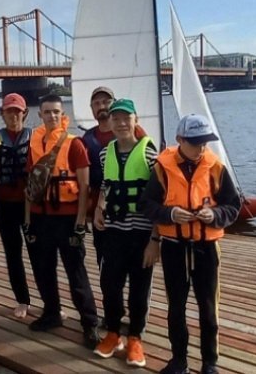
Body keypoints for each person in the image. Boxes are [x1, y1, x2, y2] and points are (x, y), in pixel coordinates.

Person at [141, 114, 241, 374]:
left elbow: (233, 206)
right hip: (174, 247)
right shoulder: (162, 168)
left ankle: (210, 362)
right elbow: (147, 205)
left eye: (205, 142)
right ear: (180, 140)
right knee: (176, 307)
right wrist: (170, 214)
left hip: (206, 248)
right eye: (195, 142)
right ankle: (179, 361)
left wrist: (215, 216)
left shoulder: (215, 167)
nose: (201, 148)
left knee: (208, 307)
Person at [24, 93, 100, 348]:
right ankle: (51, 313)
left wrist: (81, 223)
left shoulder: (74, 144)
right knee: (43, 270)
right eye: (47, 112)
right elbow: (30, 185)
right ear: (40, 114)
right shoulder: (34, 142)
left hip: (67, 219)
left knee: (76, 273)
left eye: (56, 112)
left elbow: (85, 185)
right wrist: (27, 221)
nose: (52, 116)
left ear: (62, 114)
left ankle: (89, 323)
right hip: (40, 217)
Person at [92, 99, 159, 368]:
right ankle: (113, 334)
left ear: (135, 120)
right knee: (110, 285)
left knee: (139, 289)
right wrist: (98, 208)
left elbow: (161, 199)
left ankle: (135, 337)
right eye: (115, 118)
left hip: (142, 234)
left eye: (125, 118)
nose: (120, 123)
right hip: (114, 232)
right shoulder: (104, 153)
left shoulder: (150, 154)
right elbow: (107, 185)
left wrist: (156, 240)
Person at [0, 93, 32, 318]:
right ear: (2, 114)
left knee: (39, 254)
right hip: (5, 205)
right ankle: (22, 299)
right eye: (9, 111)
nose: (13, 115)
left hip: (30, 207)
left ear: (24, 113)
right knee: (13, 253)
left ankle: (51, 302)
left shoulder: (35, 138)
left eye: (17, 111)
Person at [80, 86, 116, 266]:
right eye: (96, 103)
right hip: (98, 213)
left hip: (127, 212)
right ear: (92, 109)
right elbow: (83, 180)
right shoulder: (86, 139)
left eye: (106, 102)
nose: (101, 106)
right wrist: (85, 213)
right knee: (104, 261)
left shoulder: (133, 134)